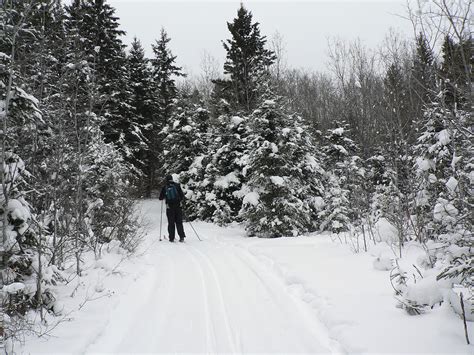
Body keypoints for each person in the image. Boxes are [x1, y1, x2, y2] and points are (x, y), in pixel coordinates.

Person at [159, 175, 186, 242]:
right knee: (179, 222)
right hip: (178, 207)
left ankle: (171, 238)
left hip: (170, 207)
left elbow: (160, 198)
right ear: (172, 179)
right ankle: (181, 237)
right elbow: (182, 196)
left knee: (171, 223)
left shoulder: (165, 187)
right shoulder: (177, 185)